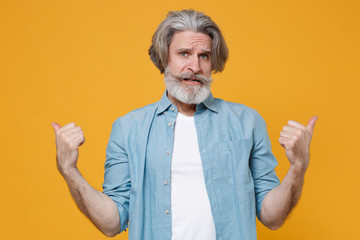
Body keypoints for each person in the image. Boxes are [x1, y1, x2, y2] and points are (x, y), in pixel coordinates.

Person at [51, 9, 317, 240]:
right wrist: (69, 170)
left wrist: (298, 167)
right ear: (164, 58)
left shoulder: (247, 122)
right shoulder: (128, 129)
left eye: (204, 56)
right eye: (184, 53)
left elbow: (272, 218)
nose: (195, 66)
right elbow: (112, 223)